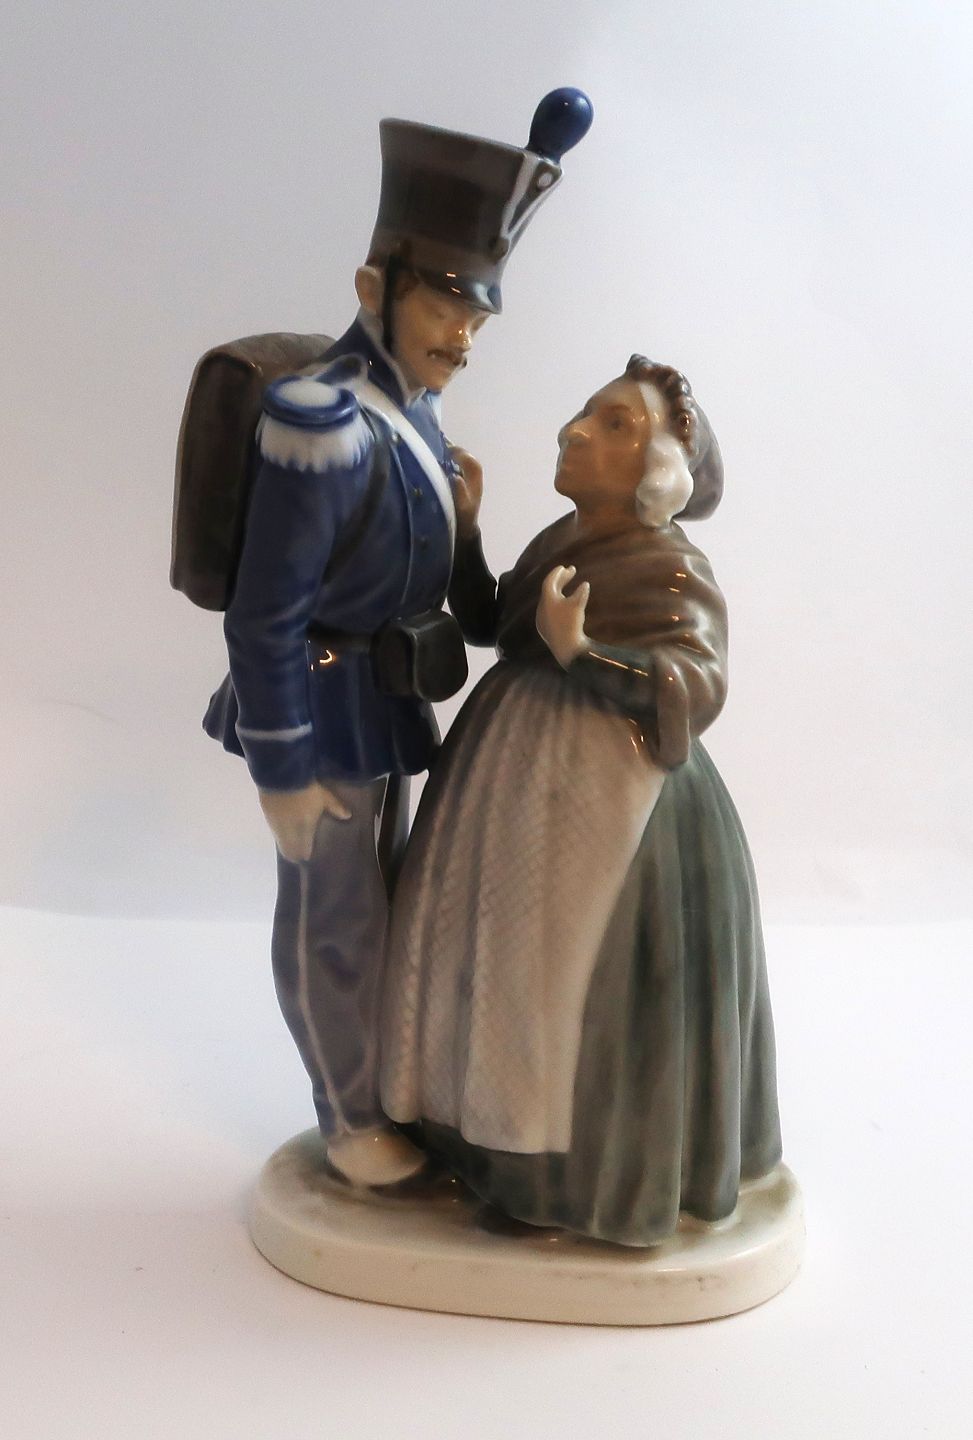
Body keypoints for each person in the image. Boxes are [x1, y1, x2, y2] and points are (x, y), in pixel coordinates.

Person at [199, 93, 593, 1187]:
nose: (462, 335)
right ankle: (345, 1117)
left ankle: (380, 1090)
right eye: (444, 302)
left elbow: (449, 591)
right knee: (333, 922)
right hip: (318, 703)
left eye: (478, 316)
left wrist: (468, 527)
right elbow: (265, 612)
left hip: (385, 700)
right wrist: (280, 766)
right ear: (374, 289)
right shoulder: (317, 419)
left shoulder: (417, 412)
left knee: (383, 906)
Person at [380, 355, 782, 1243]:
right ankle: (478, 1145)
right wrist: (465, 532)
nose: (576, 431)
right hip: (511, 772)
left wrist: (585, 655)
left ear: (658, 472)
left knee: (556, 974)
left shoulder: (669, 568)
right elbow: (494, 621)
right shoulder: (560, 539)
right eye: (586, 414)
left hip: (611, 796)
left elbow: (697, 682)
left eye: (613, 426)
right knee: (494, 958)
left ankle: (575, 1185)